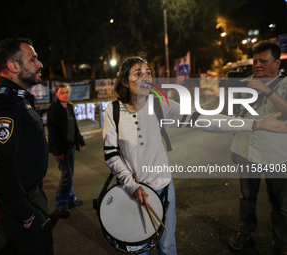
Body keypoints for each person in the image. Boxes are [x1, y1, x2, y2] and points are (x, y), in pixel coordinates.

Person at [103, 54, 287, 255]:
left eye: (148, 73)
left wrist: (256, 124)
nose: (146, 77)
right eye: (138, 73)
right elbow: (111, 155)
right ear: (124, 80)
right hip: (133, 192)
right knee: (140, 250)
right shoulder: (113, 111)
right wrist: (131, 184)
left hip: (164, 188)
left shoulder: (160, 105)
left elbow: (207, 120)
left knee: (167, 246)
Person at [0, 38, 53, 254]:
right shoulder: (4, 104)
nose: (39, 64)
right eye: (33, 59)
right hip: (22, 205)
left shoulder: (18, 99)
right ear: (13, 66)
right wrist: (26, 214)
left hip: (31, 196)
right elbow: (1, 170)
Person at [228, 40, 287, 254]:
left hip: (278, 155)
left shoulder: (284, 84)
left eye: (264, 60)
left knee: (280, 204)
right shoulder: (246, 83)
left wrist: (267, 91)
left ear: (277, 64)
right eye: (255, 61)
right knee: (247, 197)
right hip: (246, 150)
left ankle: (281, 244)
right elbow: (233, 114)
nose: (258, 65)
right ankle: (245, 233)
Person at [47, 83, 86, 218]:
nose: (65, 95)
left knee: (70, 175)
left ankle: (70, 199)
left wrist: (80, 140)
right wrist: (58, 151)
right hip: (61, 149)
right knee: (66, 177)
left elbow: (74, 126)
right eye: (62, 92)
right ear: (57, 94)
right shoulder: (54, 109)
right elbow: (54, 133)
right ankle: (61, 205)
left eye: (67, 92)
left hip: (70, 147)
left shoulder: (69, 107)